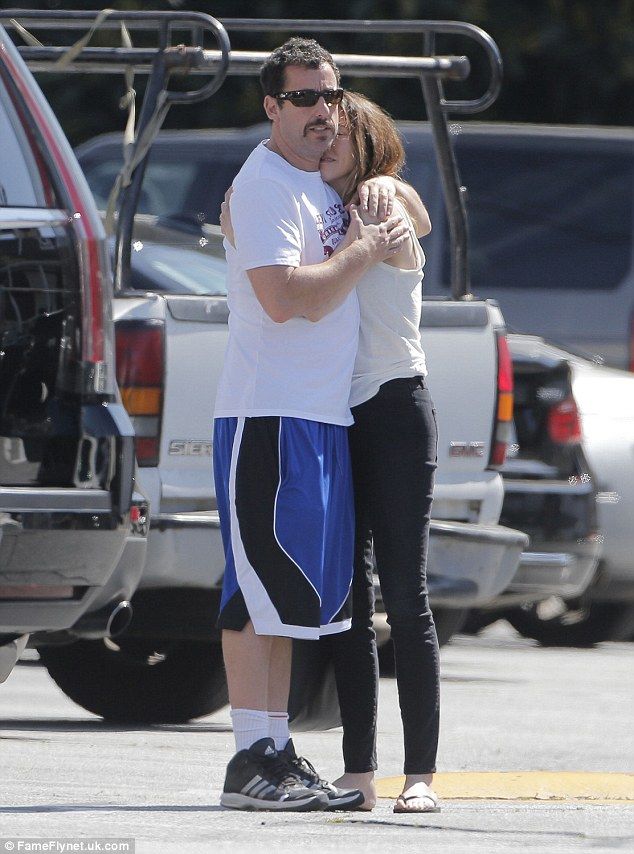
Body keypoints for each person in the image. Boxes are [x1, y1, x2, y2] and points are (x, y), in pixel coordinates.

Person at [212, 39, 409, 812]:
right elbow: (288, 297)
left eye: (330, 96)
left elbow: (410, 208)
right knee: (254, 589)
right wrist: (364, 248)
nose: (321, 111)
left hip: (321, 416)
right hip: (268, 412)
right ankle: (246, 759)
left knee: (289, 597)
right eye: (303, 99)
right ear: (271, 107)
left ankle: (276, 750)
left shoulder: (326, 184)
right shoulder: (263, 186)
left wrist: (387, 199)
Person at [318, 91, 441, 815]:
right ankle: (358, 770)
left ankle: (420, 772)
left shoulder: (382, 197)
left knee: (406, 593)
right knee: (347, 603)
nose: (323, 138)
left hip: (394, 407)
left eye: (337, 132)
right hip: (333, 416)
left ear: (366, 142)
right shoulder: (315, 203)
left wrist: (390, 184)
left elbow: (411, 213)